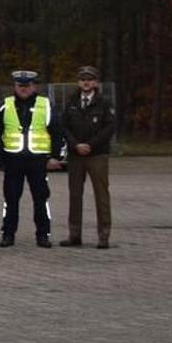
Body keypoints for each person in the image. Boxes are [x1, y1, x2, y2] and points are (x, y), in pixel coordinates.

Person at [0, 70, 63, 248]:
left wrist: (55, 157)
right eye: (20, 85)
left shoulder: (45, 104)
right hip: (13, 159)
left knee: (41, 199)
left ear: (34, 86)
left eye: (27, 86)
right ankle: (8, 234)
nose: (24, 89)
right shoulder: (6, 104)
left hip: (38, 160)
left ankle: (43, 235)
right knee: (10, 199)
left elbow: (56, 132)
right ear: (15, 86)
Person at [61, 65, 115, 249]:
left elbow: (109, 127)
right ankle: (74, 234)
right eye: (83, 79)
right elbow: (64, 126)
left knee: (101, 195)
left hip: (97, 155)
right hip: (76, 155)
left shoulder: (104, 103)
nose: (86, 82)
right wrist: (75, 145)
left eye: (90, 79)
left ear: (96, 82)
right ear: (79, 82)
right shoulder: (71, 102)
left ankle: (103, 235)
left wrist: (91, 145)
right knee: (75, 195)